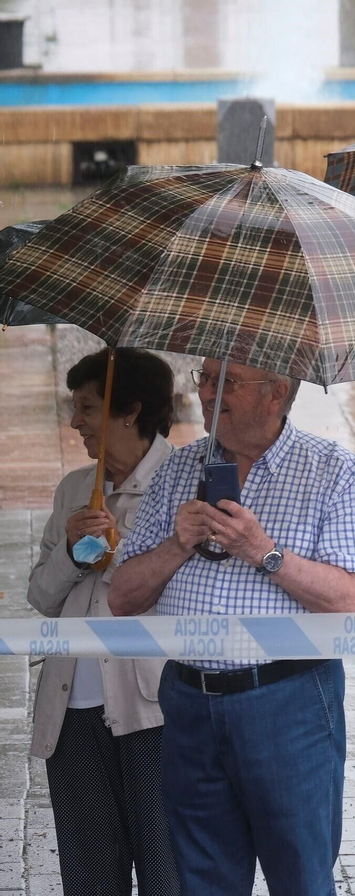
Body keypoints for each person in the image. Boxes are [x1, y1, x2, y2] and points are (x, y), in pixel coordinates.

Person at [108, 357, 355, 896]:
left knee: (300, 877)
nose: (209, 393)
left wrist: (262, 552)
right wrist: (177, 544)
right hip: (189, 700)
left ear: (276, 392)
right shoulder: (177, 469)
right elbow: (122, 598)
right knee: (203, 879)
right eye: (204, 378)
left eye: (227, 382)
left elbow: (352, 601)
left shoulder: (333, 470)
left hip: (288, 702)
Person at [28, 347, 180, 896]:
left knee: (167, 871)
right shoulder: (75, 489)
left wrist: (116, 555)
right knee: (91, 876)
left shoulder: (182, 483)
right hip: (72, 709)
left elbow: (187, 594)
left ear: (130, 411)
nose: (75, 423)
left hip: (155, 712)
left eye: (88, 408)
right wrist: (72, 550)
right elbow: (42, 597)